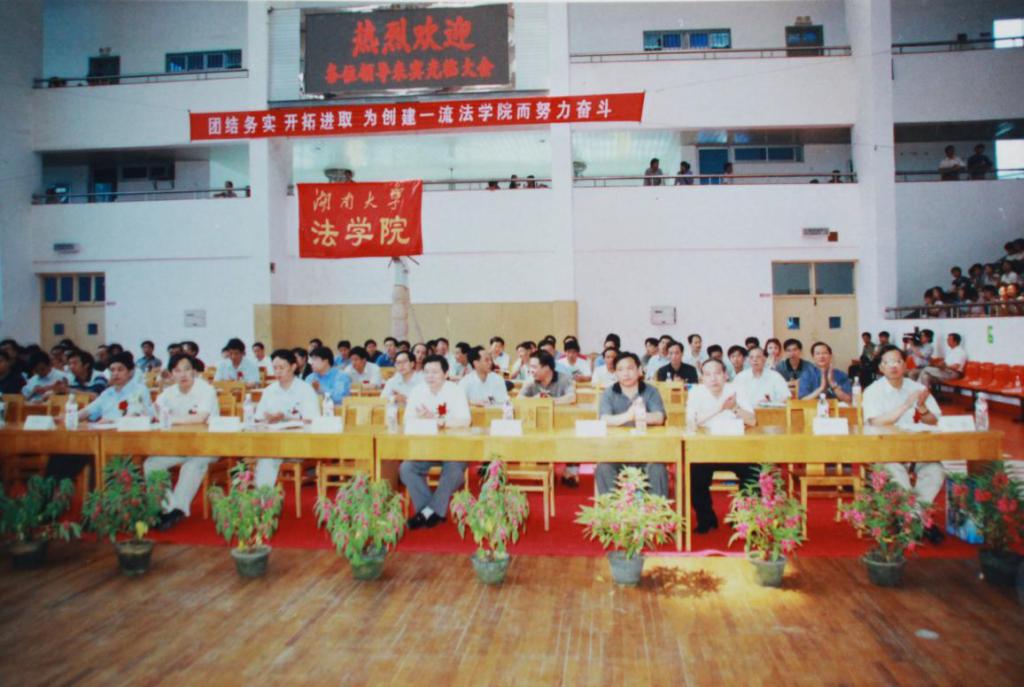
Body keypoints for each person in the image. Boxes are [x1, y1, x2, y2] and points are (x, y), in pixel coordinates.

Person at [863, 345, 945, 544]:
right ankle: (919, 520)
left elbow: (934, 421)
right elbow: (876, 421)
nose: (894, 366)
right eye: (888, 362)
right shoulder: (873, 391)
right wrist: (907, 405)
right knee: (896, 472)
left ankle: (912, 517)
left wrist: (922, 408)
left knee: (935, 470)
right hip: (885, 451)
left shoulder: (917, 388)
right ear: (881, 367)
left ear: (905, 365)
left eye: (898, 361)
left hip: (914, 449)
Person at [146, 353, 219, 531]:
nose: (183, 374)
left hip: (208, 446)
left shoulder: (206, 390)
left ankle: (177, 509)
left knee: (193, 464)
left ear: (194, 371)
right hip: (179, 446)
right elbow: (153, 411)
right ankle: (167, 508)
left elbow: (200, 418)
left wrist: (169, 419)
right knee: (152, 463)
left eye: (187, 369)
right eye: (177, 371)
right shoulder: (169, 393)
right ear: (171, 374)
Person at [686, 358, 757, 533]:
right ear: (702, 378)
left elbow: (752, 421)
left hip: (736, 449)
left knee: (755, 471)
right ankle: (706, 519)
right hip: (707, 450)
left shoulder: (737, 390)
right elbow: (692, 423)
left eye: (717, 373)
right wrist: (721, 407)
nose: (713, 378)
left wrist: (734, 407)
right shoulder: (696, 392)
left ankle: (741, 517)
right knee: (694, 473)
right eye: (708, 374)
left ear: (725, 375)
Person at [399, 355, 471, 529]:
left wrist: (441, 421)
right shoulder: (417, 391)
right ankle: (431, 511)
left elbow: (465, 421)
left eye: (435, 372)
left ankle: (427, 513)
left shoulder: (456, 391)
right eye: (426, 372)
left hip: (453, 449)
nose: (430, 376)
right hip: (425, 449)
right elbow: (407, 421)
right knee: (406, 469)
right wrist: (421, 418)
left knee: (454, 472)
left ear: (446, 374)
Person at [595, 352, 668, 497]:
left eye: (630, 368)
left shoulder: (651, 391)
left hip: (647, 450)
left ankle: (656, 510)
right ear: (615, 373)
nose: (625, 373)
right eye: (620, 369)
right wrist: (629, 415)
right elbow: (604, 419)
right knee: (603, 468)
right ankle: (611, 510)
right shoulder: (609, 393)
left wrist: (639, 415)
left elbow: (659, 417)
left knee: (658, 468)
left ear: (639, 370)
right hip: (616, 451)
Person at [254, 349, 320, 487]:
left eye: (282, 368)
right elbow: (258, 419)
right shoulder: (269, 390)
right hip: (273, 442)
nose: (278, 372)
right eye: (275, 368)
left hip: (299, 443)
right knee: (267, 456)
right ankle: (264, 497)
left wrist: (286, 418)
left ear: (293, 367)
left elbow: (312, 420)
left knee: (268, 457)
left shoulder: (305, 389)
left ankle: (264, 497)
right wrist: (267, 419)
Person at [520, 350, 577, 485]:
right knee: (538, 437)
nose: (531, 370)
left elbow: (572, 397)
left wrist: (550, 401)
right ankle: (545, 473)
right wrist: (534, 399)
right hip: (540, 425)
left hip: (563, 424)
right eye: (530, 367)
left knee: (573, 436)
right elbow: (519, 399)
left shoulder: (563, 378)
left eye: (534, 367)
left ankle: (569, 472)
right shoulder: (531, 380)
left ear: (546, 367)